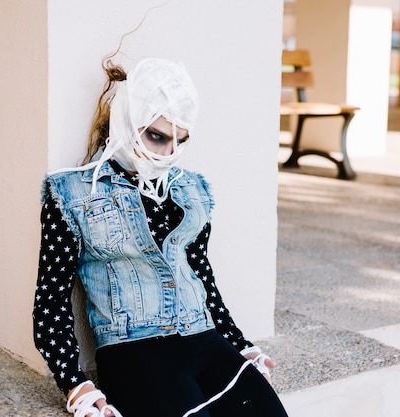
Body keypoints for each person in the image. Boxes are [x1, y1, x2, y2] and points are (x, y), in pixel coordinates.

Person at [33, 57, 289, 417]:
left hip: (204, 338)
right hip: (134, 348)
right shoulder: (72, 193)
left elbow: (200, 275)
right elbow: (50, 301)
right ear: (127, 121)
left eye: (179, 141)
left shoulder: (191, 188)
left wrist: (239, 344)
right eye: (157, 136)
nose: (168, 154)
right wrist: (76, 385)